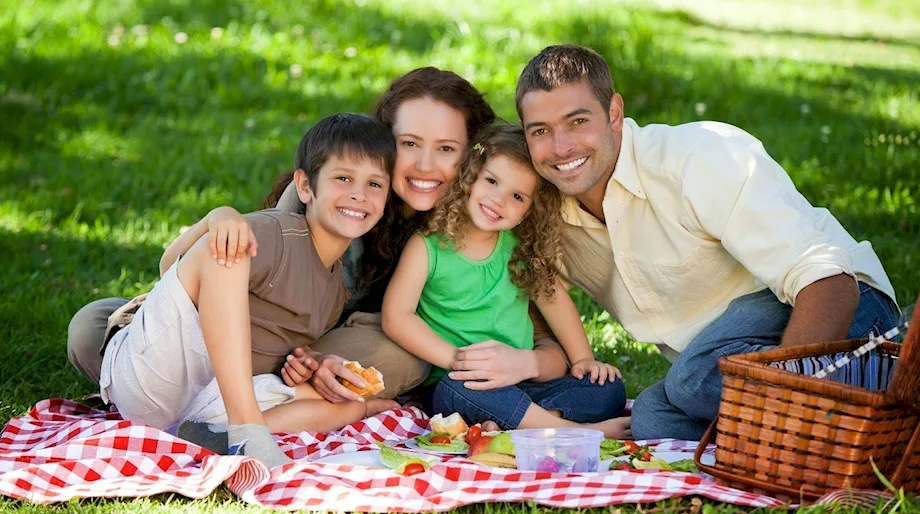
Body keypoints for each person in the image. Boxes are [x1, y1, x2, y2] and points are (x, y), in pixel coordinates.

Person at [69, 67, 576, 409]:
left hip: (348, 349)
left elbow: (533, 328)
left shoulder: (481, 223)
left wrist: (530, 361)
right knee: (91, 326)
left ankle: (241, 400)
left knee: (401, 355)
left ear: (472, 155)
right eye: (408, 145)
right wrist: (218, 217)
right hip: (247, 334)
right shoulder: (340, 200)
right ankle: (221, 393)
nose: (425, 166)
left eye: (446, 149)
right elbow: (240, 278)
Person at [515, 44, 900, 441]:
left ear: (614, 113)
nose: (561, 147)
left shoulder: (699, 159)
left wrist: (786, 399)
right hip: (720, 362)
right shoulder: (541, 215)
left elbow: (830, 282)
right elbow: (510, 295)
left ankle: (857, 404)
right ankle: (840, 425)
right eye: (540, 131)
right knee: (652, 419)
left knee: (691, 378)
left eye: (577, 121)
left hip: (844, 316)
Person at [97, 113, 397, 467]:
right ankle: (248, 432)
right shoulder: (275, 234)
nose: (359, 195)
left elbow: (269, 344)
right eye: (343, 178)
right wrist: (217, 217)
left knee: (345, 403)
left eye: (374, 184)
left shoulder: (334, 292)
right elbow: (170, 268)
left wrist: (308, 364)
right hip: (155, 372)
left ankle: (213, 437)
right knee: (229, 249)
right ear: (304, 187)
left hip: (202, 404)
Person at [382, 124, 629, 436]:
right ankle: (571, 431)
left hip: (520, 382)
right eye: (492, 181)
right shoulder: (428, 246)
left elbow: (555, 301)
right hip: (461, 383)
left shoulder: (519, 249)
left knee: (608, 388)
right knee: (461, 392)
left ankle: (527, 422)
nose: (499, 200)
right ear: (471, 178)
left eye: (516, 196)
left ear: (528, 211)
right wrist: (459, 362)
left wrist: (583, 360)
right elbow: (396, 317)